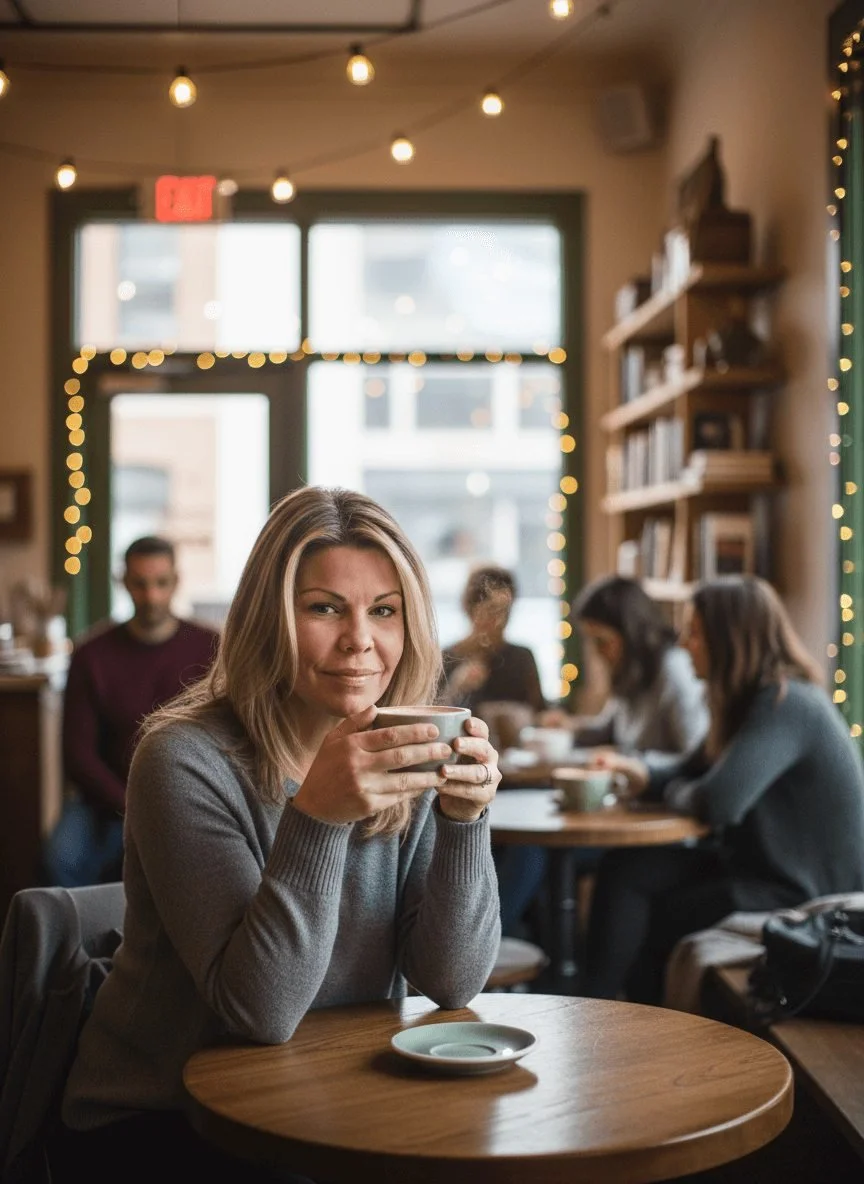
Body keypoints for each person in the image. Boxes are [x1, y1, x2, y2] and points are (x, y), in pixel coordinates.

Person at [56, 486, 502, 1183]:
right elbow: (259, 1010)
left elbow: (449, 980)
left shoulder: (404, 748)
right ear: (271, 619)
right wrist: (318, 818)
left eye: (384, 611)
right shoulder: (183, 759)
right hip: (164, 1117)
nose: (360, 640)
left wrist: (464, 823)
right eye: (324, 608)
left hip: (332, 1099)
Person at [582, 574, 864, 1006]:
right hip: (757, 867)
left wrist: (671, 787)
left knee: (663, 913)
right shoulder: (741, 700)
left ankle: (637, 1026)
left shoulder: (786, 703)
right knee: (626, 870)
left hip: (805, 892)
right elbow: (691, 768)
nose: (682, 640)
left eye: (695, 631)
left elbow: (718, 802)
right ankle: (590, 1004)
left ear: (729, 639)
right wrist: (642, 772)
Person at [497, 574, 708, 936]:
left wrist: (630, 759)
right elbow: (607, 729)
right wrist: (569, 727)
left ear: (631, 630)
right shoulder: (631, 672)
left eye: (603, 640)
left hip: (653, 821)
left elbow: (695, 754)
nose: (598, 651)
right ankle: (522, 953)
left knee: (530, 849)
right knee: (519, 844)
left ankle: (494, 945)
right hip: (623, 808)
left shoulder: (673, 672)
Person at [45, 536, 219, 888]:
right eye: (140, 583)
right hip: (107, 804)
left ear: (176, 581)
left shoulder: (210, 648)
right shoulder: (90, 656)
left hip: (188, 798)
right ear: (123, 582)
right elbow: (78, 756)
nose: (151, 596)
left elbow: (225, 736)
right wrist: (132, 807)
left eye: (161, 583)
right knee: (58, 862)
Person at [440, 564, 546, 720]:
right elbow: (433, 715)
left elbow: (539, 711)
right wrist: (457, 687)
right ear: (470, 609)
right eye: (492, 610)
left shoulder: (522, 657)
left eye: (506, 611)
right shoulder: (446, 658)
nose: (501, 621)